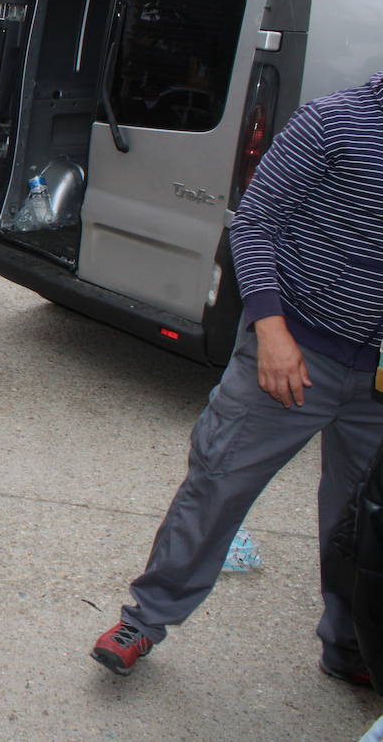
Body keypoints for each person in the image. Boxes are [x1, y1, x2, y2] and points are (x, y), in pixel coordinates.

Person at [91, 70, 383, 689]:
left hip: (377, 379)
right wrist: (271, 331)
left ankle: (351, 646)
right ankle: (145, 620)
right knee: (218, 485)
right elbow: (253, 225)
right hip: (295, 350)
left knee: (360, 522)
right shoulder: (335, 122)